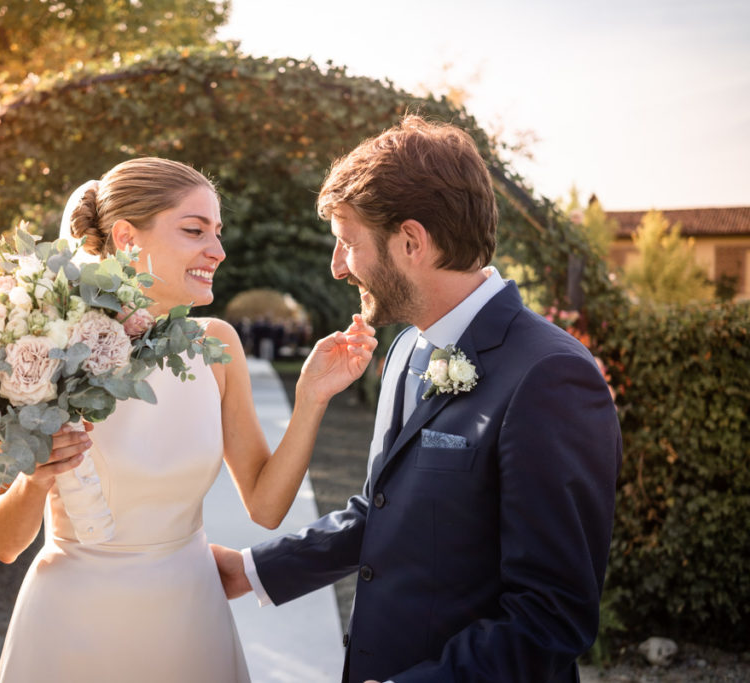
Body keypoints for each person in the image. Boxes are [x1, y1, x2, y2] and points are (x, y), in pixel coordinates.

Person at [211, 116, 621, 682]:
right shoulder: (406, 350)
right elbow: (384, 514)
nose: (336, 266)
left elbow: (550, 618)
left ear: (411, 241)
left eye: (348, 243)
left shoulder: (552, 377)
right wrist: (250, 572)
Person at [0, 157, 377, 682]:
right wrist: (36, 479)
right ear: (127, 237)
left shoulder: (217, 345)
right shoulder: (45, 348)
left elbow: (266, 506)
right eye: (195, 230)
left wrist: (312, 395)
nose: (217, 250)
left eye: (217, 232)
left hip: (190, 615)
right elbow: (4, 543)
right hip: (72, 624)